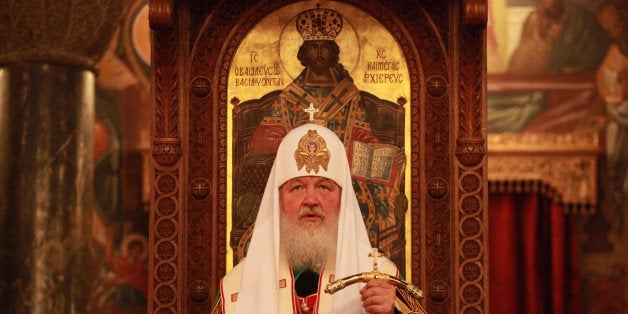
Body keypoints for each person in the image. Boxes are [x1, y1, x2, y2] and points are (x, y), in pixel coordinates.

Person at [244, 3, 407, 268]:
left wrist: (382, 151)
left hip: (343, 179)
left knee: (369, 208)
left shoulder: (347, 95)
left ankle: (364, 263)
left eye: (324, 48)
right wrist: (289, 141)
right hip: (294, 172)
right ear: (303, 54)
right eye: (313, 47)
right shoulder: (290, 97)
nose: (319, 54)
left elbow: (362, 134)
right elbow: (258, 142)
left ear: (333, 53)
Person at [213, 124, 405, 313]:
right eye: (297, 187)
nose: (311, 200)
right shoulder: (237, 285)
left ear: (342, 199)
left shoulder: (381, 277)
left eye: (324, 187)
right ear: (278, 200)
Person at [595, 0, 628, 232]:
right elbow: (609, 89)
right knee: (615, 170)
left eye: (617, 26)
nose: (614, 32)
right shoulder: (614, 53)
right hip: (618, 119)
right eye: (608, 30)